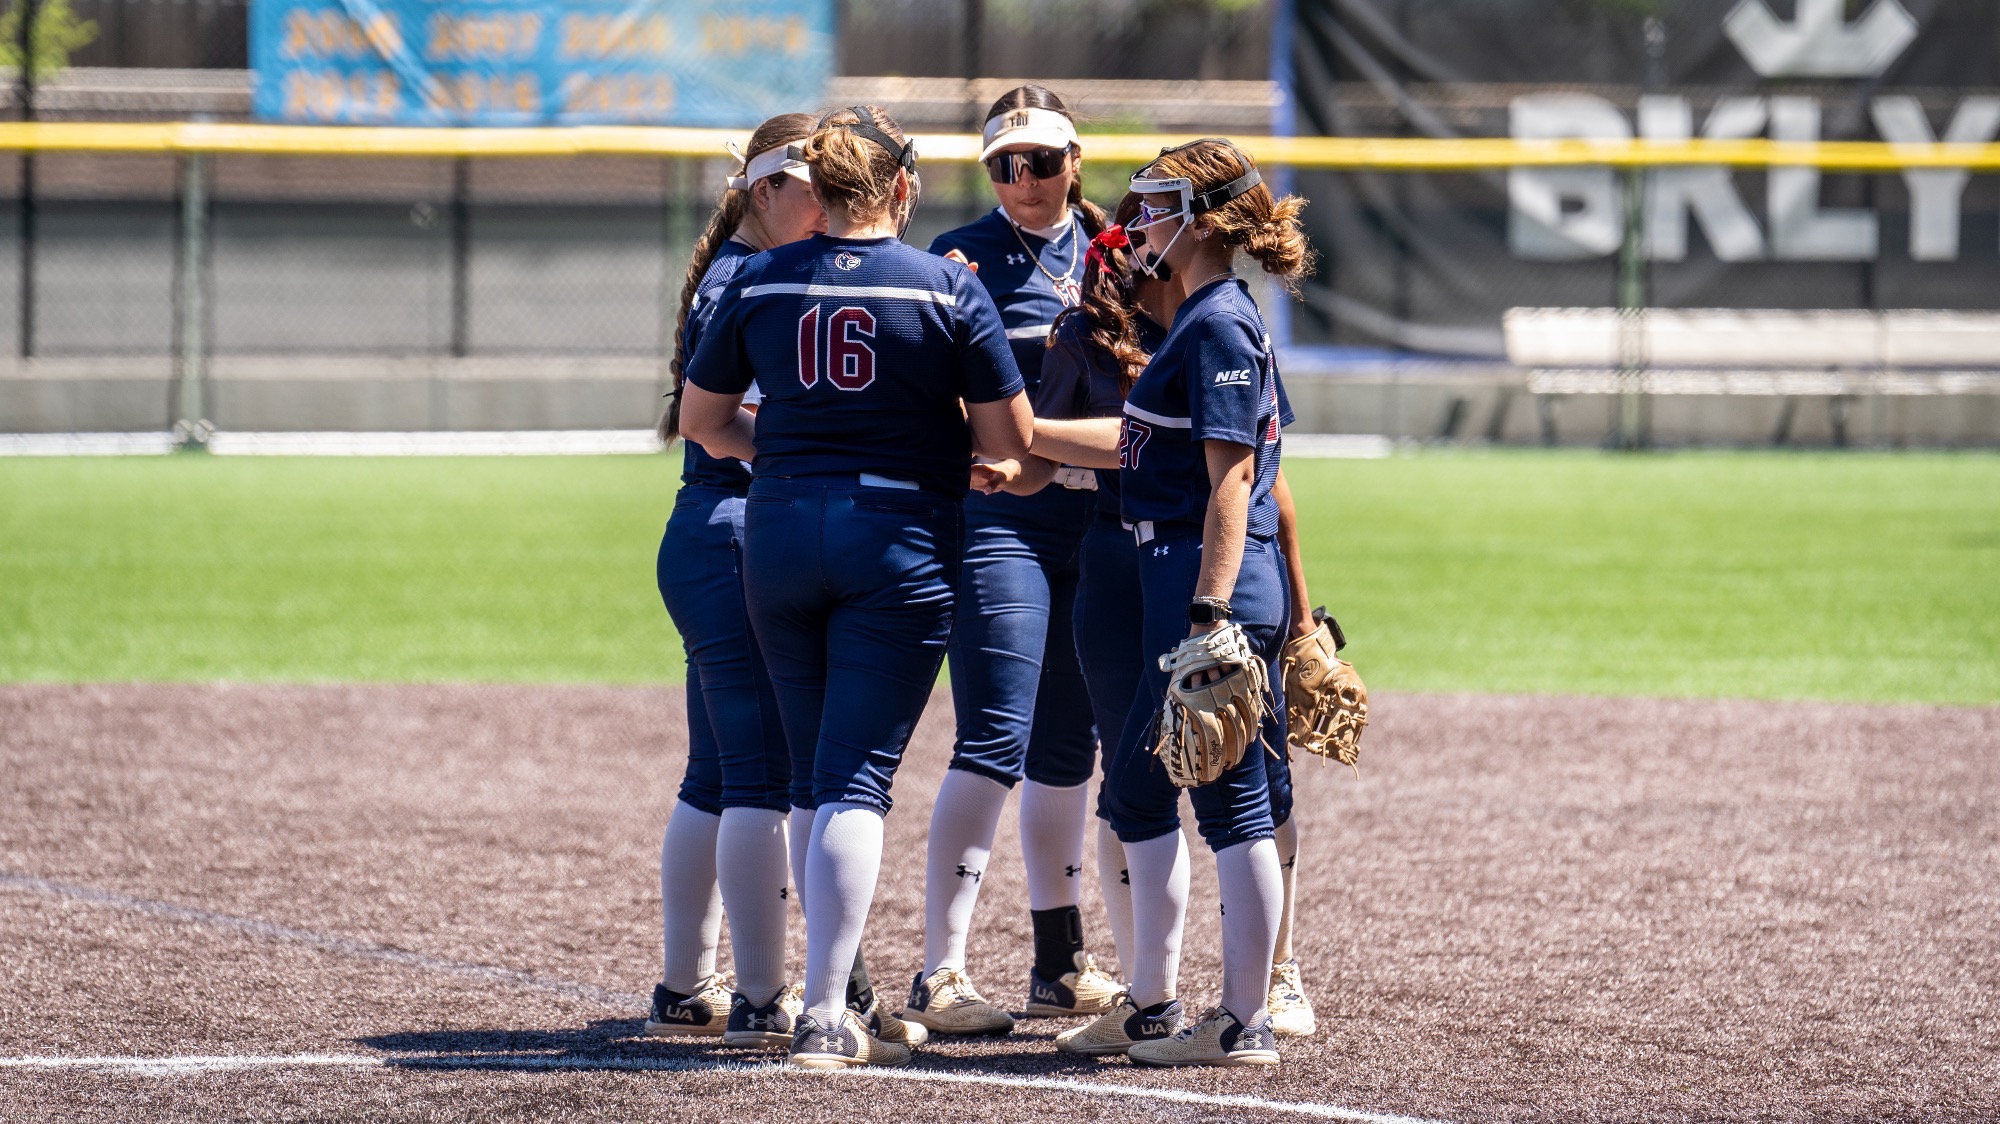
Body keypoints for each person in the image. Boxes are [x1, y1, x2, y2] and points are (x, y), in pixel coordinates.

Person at [680, 104, 1034, 1070]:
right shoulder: (943, 287)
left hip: (783, 531)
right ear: (902, 187)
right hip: (898, 541)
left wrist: (793, 457)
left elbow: (703, 419)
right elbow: (1010, 442)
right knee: (855, 782)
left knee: (803, 780)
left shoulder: (756, 277)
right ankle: (828, 1011)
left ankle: (788, 995)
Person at [1025, 138, 1316, 1067]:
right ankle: (1155, 1007)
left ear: (1200, 217)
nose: (1138, 221)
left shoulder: (1221, 318)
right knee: (1142, 786)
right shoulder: (1201, 314)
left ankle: (1244, 1018)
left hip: (1206, 579)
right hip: (1175, 575)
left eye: (1156, 204)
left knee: (1231, 802)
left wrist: (1211, 613)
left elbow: (1235, 482)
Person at [903, 83, 1122, 1038]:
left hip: (1099, 522)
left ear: (1076, 159)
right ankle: (939, 973)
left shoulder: (1121, 254)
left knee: (1071, 747)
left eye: (1039, 159)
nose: (1023, 178)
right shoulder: (957, 260)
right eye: (1004, 162)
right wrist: (997, 454)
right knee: (994, 733)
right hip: (1000, 521)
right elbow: (925, 400)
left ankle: (1059, 961)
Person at [644, 113, 822, 1046]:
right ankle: (760, 996)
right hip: (735, 529)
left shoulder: (735, 272)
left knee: (716, 771)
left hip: (707, 529)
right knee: (760, 775)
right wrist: (822, 470)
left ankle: (684, 987)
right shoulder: (755, 278)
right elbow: (721, 426)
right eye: (813, 186)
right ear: (767, 192)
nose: (829, 204)